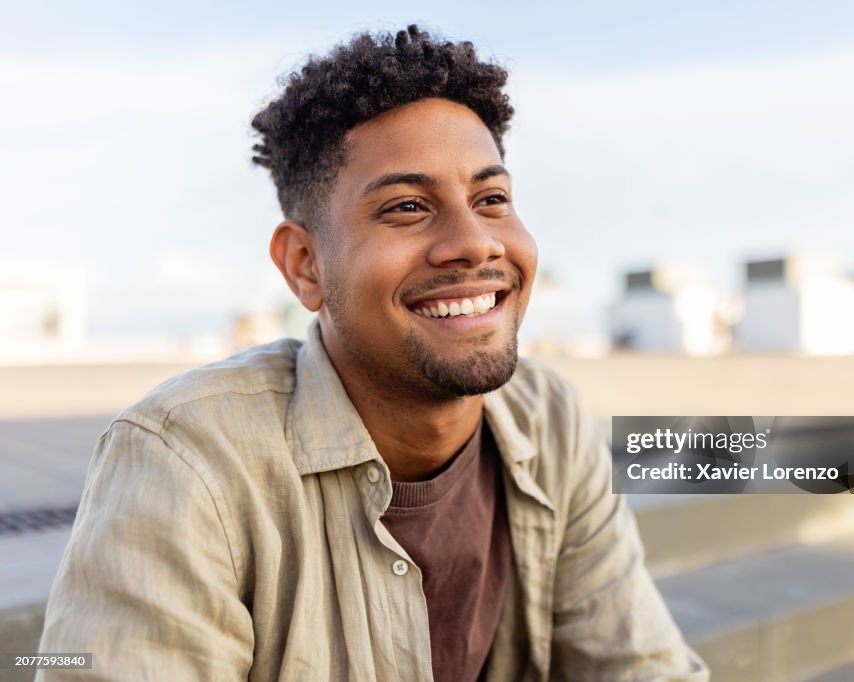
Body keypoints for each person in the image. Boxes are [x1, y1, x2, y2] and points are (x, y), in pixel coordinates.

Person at [37, 25, 709, 681]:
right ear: (305, 265)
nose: (475, 242)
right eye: (408, 207)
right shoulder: (189, 458)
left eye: (492, 198)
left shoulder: (549, 419)